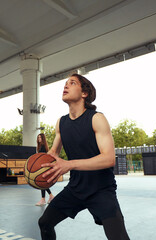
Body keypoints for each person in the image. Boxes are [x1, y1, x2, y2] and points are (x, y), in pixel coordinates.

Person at [38, 73, 130, 240]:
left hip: (101, 190)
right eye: (65, 83)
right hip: (75, 189)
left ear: (84, 93)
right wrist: (36, 168)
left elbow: (109, 158)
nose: (65, 86)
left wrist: (69, 164)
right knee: (44, 222)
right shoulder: (61, 122)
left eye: (72, 83)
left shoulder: (97, 118)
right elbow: (53, 153)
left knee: (119, 237)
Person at [35, 133, 55, 206]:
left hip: (43, 166)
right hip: (43, 166)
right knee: (42, 183)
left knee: (42, 183)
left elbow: (42, 157)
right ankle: (50, 196)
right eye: (38, 137)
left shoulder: (42, 147)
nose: (39, 138)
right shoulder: (40, 146)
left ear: (43, 138)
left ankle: (44, 199)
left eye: (40, 137)